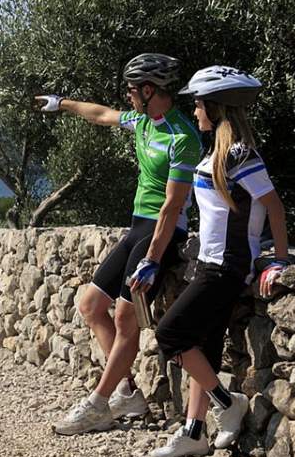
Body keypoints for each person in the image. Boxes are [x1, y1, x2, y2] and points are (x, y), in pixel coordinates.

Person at [35, 53, 202, 435]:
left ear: (148, 90)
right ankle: (126, 391)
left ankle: (98, 404)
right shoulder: (143, 121)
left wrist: (154, 259)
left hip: (164, 233)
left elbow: (173, 205)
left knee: (127, 320)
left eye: (130, 90)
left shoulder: (182, 138)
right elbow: (102, 114)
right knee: (91, 305)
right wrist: (62, 104)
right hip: (136, 228)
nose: (126, 96)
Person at [149, 65, 290, 457]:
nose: (194, 112)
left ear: (214, 107)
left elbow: (274, 209)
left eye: (198, 105)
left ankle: (227, 403)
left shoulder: (241, 156)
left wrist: (278, 261)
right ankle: (194, 432)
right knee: (203, 345)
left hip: (226, 268)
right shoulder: (217, 153)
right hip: (208, 262)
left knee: (170, 335)